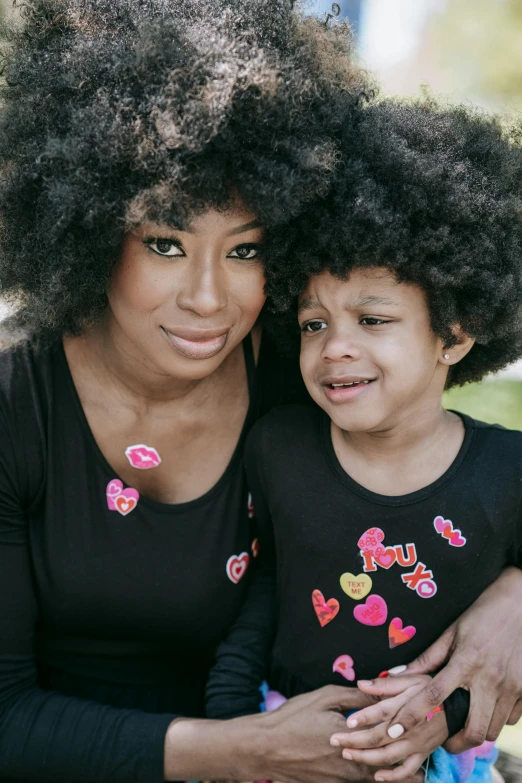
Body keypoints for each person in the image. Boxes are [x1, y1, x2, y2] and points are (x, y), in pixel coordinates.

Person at [0, 0, 521, 778]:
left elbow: (448, 477)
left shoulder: (305, 371)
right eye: (166, 242)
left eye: (245, 248)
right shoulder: (18, 401)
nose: (210, 298)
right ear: (93, 226)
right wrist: (243, 748)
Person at [205, 96, 522, 782]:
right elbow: (263, 590)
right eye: (314, 323)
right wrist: (235, 730)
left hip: (444, 761)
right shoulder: (279, 447)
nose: (335, 347)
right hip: (281, 740)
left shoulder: (509, 469)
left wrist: (445, 711)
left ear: (456, 333)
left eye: (373, 319)